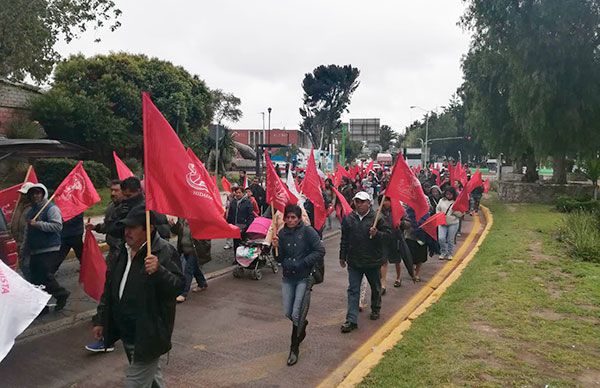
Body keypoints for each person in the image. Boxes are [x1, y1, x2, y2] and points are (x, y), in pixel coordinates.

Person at [91, 205, 184, 387]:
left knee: (134, 382)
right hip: (127, 330)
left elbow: (177, 287)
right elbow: (110, 289)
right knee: (152, 379)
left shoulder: (163, 252)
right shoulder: (121, 251)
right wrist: (100, 319)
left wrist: (159, 271)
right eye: (126, 227)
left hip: (149, 333)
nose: (127, 232)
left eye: (132, 227)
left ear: (148, 228)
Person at [272, 204, 325, 366]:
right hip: (288, 278)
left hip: (304, 277)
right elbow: (279, 259)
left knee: (296, 314)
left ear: (299, 217)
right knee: (288, 312)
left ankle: (294, 349)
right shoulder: (282, 233)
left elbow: (320, 250)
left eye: (293, 217)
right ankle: (303, 323)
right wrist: (275, 248)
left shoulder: (308, 232)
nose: (290, 220)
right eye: (287, 217)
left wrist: (303, 263)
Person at [339, 191, 391, 333]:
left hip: (372, 262)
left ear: (369, 203)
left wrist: (377, 234)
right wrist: (342, 256)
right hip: (354, 262)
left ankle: (376, 308)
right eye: (357, 201)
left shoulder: (378, 218)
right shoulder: (349, 219)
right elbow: (344, 239)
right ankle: (351, 320)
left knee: (375, 287)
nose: (360, 204)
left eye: (362, 201)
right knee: (353, 290)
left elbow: (388, 237)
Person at [21, 183, 69, 312]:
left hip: (49, 248)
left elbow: (57, 226)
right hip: (34, 249)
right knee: (36, 279)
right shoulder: (31, 211)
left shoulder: (51, 209)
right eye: (33, 194)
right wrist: (24, 250)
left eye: (38, 193)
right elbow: (27, 232)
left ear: (43, 194)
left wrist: (38, 224)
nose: (35, 196)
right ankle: (42, 306)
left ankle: (61, 294)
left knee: (45, 276)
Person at [170, 218, 209, 303]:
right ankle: (202, 283)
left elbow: (205, 236)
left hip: (194, 250)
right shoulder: (182, 219)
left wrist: (203, 248)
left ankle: (183, 293)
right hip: (184, 249)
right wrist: (173, 225)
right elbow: (177, 232)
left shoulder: (198, 219)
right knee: (195, 269)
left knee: (188, 270)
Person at [86, 179, 124, 263]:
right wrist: (95, 227)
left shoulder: (129, 208)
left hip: (124, 251)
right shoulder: (111, 206)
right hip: (113, 251)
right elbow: (108, 225)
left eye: (116, 190)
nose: (113, 193)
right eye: (112, 190)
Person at [378, 196, 405, 292]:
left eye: (386, 200)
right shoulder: (378, 213)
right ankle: (383, 284)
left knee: (397, 260)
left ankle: (398, 278)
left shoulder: (398, 211)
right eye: (383, 201)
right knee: (383, 261)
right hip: (384, 240)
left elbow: (407, 223)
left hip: (395, 239)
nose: (384, 203)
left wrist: (401, 223)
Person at [12, 182, 34, 281]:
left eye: (25, 194)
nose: (22, 196)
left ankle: (35, 286)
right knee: (23, 265)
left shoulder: (34, 209)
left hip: (28, 244)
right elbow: (15, 223)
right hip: (19, 242)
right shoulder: (20, 207)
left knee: (26, 266)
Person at [226, 186, 255, 255]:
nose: (238, 194)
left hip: (243, 226)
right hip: (235, 227)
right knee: (236, 244)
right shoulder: (233, 202)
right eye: (236, 192)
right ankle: (236, 258)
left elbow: (250, 216)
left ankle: (244, 259)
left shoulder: (247, 202)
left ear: (243, 193)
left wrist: (247, 226)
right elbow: (230, 214)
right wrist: (229, 224)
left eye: (239, 192)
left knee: (243, 244)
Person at [436, 187, 463, 260]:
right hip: (442, 222)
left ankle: (450, 253)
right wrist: (439, 215)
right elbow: (438, 209)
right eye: (447, 194)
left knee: (450, 239)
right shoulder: (441, 200)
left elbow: (461, 214)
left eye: (450, 194)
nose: (448, 196)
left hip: (453, 223)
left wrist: (454, 212)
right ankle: (443, 252)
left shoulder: (457, 202)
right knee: (441, 238)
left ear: (453, 194)